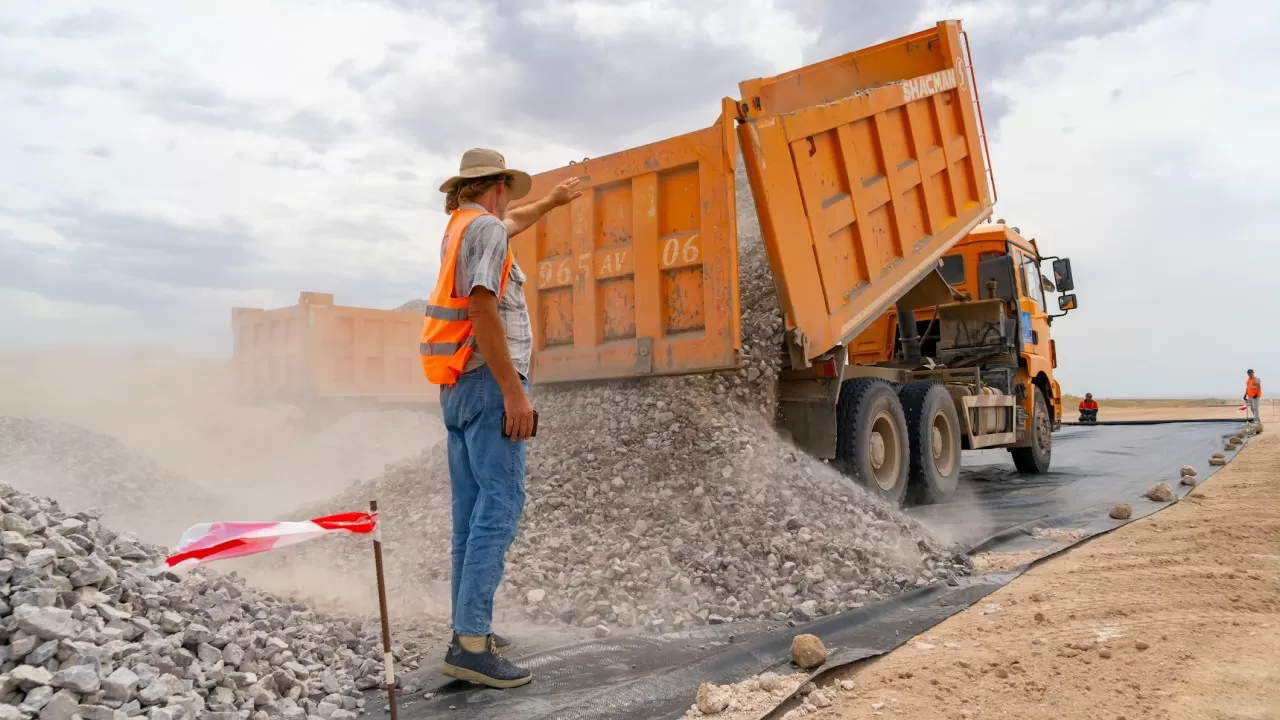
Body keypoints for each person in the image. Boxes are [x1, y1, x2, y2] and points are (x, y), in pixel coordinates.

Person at [419, 148, 582, 688]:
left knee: (469, 516)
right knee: (501, 506)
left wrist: (552, 202)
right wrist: (515, 394)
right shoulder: (486, 229)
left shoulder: (463, 227)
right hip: (490, 383)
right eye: (509, 190)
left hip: (458, 383)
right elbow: (483, 309)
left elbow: (513, 222)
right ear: (499, 186)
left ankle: (467, 630)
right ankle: (470, 643)